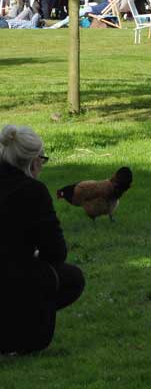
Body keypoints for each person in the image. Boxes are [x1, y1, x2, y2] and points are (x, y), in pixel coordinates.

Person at [0, 125, 85, 355]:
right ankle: (23, 334)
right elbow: (56, 252)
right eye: (42, 160)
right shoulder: (32, 191)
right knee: (70, 278)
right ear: (34, 161)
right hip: (13, 275)